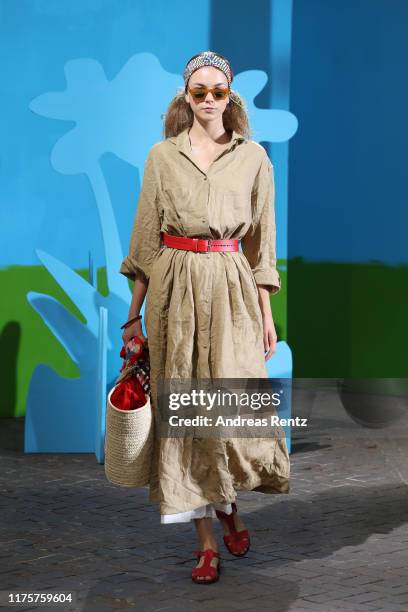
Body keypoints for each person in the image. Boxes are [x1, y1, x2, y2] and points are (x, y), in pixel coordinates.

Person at [119, 50, 290, 584]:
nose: (210, 100)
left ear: (231, 97)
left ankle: (230, 506)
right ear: (185, 98)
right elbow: (146, 239)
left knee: (228, 410)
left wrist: (267, 314)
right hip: (174, 288)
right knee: (185, 417)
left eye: (219, 92)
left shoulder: (255, 158)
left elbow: (262, 244)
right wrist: (133, 318)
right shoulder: (161, 157)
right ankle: (206, 544)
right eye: (200, 92)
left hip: (233, 289)